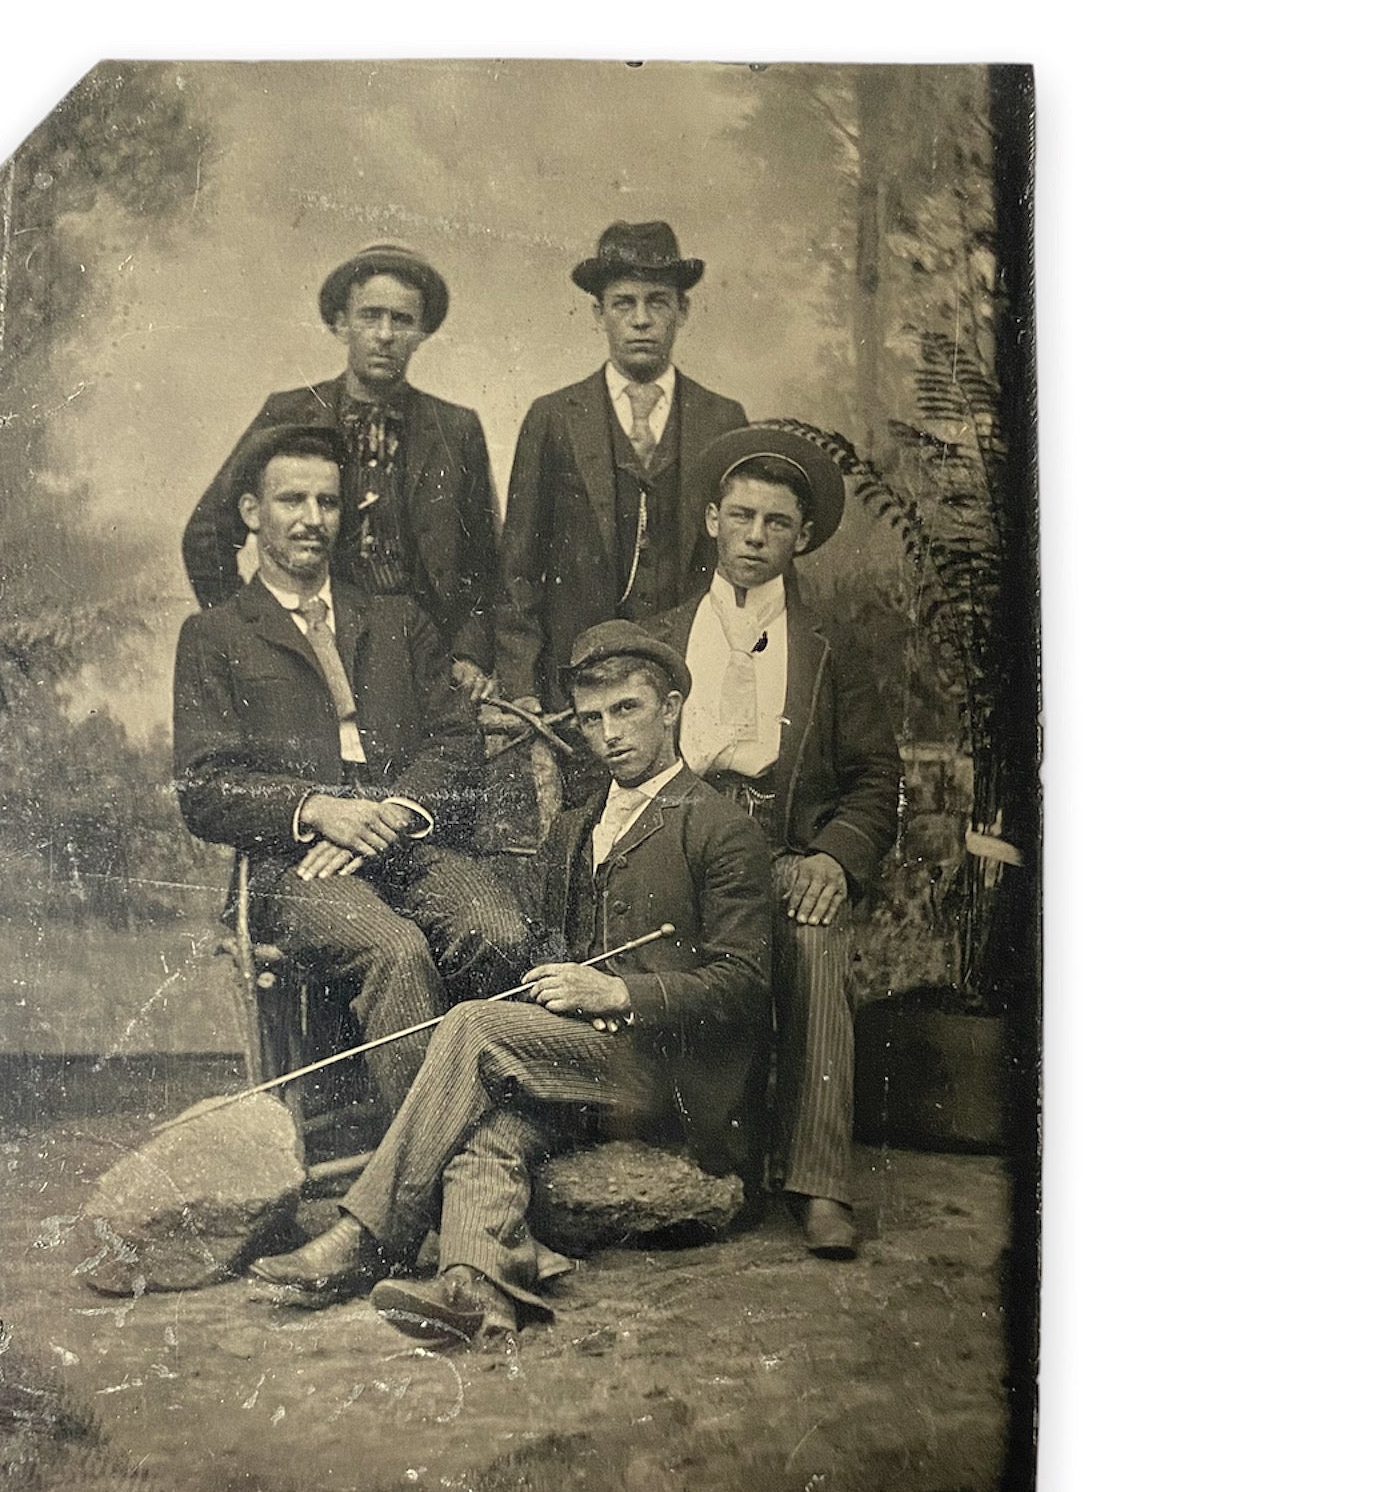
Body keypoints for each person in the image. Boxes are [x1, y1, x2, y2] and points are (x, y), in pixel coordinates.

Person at [249, 623, 774, 1345]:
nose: (609, 735)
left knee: (471, 1025)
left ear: (673, 707)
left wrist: (618, 994)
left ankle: (367, 1233)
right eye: (591, 720)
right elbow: (550, 943)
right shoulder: (575, 825)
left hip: (669, 1072)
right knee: (485, 1130)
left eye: (627, 710)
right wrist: (550, 978)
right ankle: (478, 1290)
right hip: (581, 1067)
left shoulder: (720, 827)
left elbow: (747, 986)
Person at [172, 425, 530, 1116]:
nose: (312, 520)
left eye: (329, 503)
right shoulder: (215, 635)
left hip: (409, 840)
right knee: (394, 951)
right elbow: (204, 785)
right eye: (292, 500)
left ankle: (490, 1140)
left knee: (499, 930)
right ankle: (428, 1176)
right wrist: (316, 809)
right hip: (294, 864)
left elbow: (457, 740)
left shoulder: (398, 621)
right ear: (252, 513)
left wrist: (390, 815)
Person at [651, 425, 902, 1255]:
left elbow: (872, 776)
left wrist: (833, 856)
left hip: (783, 847)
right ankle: (682, 1159)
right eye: (743, 516)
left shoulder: (833, 646)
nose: (757, 538)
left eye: (778, 524)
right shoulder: (656, 632)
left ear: (802, 537)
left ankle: (819, 1181)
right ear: (713, 520)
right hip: (677, 844)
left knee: (815, 940)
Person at [181, 243, 501, 702]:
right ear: (340, 323)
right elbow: (208, 533)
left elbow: (486, 564)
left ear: (423, 332)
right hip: (314, 644)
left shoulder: (454, 428)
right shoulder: (290, 412)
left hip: (422, 658)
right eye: (370, 316)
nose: (385, 334)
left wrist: (469, 654)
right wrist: (253, 630)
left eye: (402, 320)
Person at [496, 221, 748, 718]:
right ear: (598, 313)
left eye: (658, 302)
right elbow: (519, 569)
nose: (641, 320)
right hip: (574, 687)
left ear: (683, 310)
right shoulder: (553, 417)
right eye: (623, 303)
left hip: (691, 682)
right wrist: (521, 689)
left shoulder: (723, 419)